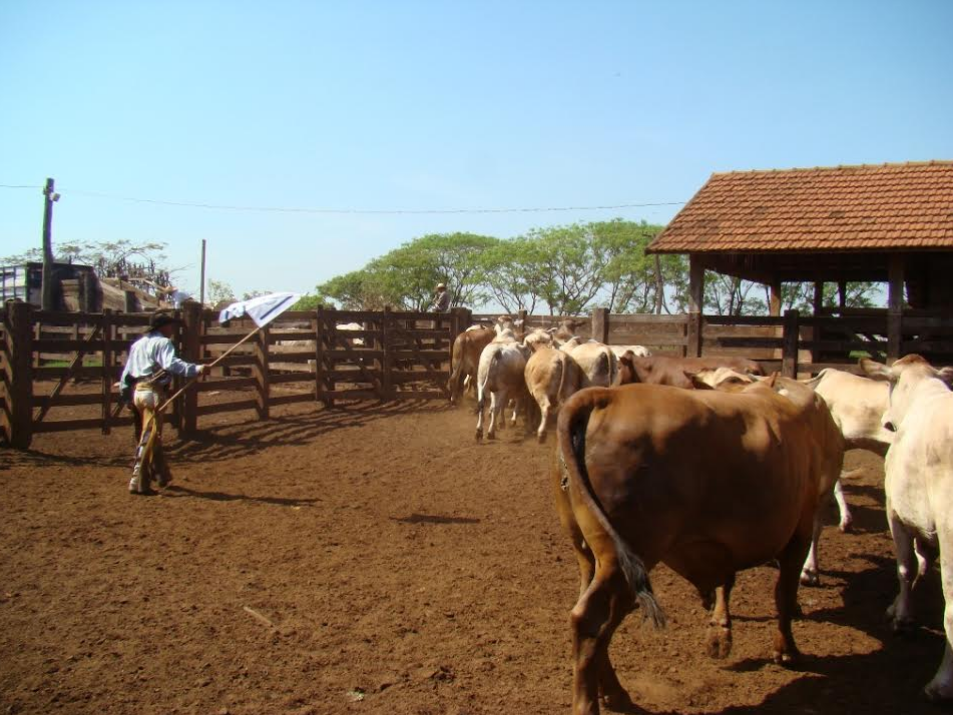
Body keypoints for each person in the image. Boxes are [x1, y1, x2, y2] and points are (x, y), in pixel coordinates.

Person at [119, 312, 205, 495]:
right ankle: (138, 481)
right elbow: (171, 364)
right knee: (149, 437)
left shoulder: (137, 344)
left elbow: (127, 373)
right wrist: (195, 369)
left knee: (149, 435)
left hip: (137, 392)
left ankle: (162, 475)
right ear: (162, 326)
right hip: (153, 393)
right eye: (170, 325)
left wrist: (125, 395)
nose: (173, 329)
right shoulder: (163, 343)